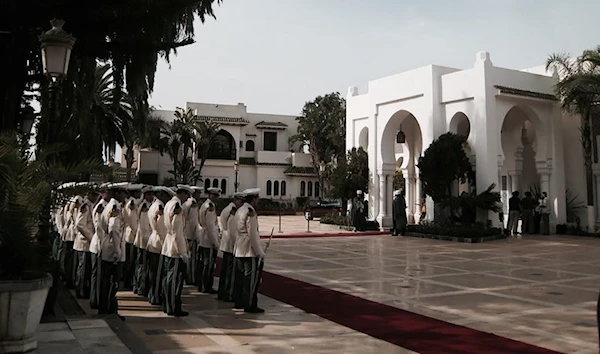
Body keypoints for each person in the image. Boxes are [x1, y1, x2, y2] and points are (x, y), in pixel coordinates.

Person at [161, 186, 191, 316]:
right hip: (175, 247)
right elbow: (177, 231)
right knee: (174, 280)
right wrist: (182, 251)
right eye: (187, 196)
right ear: (182, 194)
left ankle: (168, 305)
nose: (188, 199)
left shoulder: (169, 203)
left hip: (169, 244)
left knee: (169, 277)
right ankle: (173, 307)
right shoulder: (177, 205)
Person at [146, 186, 174, 305]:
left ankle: (153, 294)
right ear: (162, 195)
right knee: (157, 273)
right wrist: (165, 243)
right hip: (158, 243)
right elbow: (162, 228)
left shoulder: (154, 205)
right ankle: (155, 296)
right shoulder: (159, 207)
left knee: (153, 272)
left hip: (153, 240)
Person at [218, 192, 245, 301]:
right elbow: (233, 231)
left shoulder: (227, 209)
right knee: (230, 271)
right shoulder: (232, 212)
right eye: (241, 202)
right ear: (237, 200)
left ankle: (223, 291)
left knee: (225, 270)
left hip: (226, 242)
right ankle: (227, 292)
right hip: (230, 244)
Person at [89, 183, 112, 309]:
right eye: (108, 192)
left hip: (103, 245)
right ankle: (95, 300)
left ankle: (98, 299)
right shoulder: (100, 207)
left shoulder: (106, 206)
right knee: (97, 275)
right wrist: (105, 244)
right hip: (99, 245)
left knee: (101, 275)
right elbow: (99, 228)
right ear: (103, 194)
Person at [74, 189, 99, 299]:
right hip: (84, 242)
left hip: (90, 244)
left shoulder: (93, 206)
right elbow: (80, 224)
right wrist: (91, 237)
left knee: (88, 269)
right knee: (83, 269)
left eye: (96, 195)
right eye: (93, 194)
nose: (95, 197)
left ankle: (85, 289)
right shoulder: (85, 206)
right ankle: (80, 290)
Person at [198, 187, 221, 294]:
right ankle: (206, 286)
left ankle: (201, 284)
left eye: (217, 196)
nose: (216, 197)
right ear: (210, 195)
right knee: (208, 265)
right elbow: (211, 226)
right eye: (214, 195)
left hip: (203, 237)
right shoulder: (210, 207)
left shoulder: (204, 205)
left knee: (203, 264)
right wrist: (215, 243)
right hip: (208, 239)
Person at [133, 185, 155, 296]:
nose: (152, 196)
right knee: (142, 265)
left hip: (145, 240)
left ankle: (141, 286)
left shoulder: (150, 205)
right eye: (150, 194)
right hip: (143, 241)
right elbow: (145, 226)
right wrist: (148, 241)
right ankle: (140, 287)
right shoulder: (145, 207)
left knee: (144, 265)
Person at [122, 184, 144, 290]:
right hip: (131, 236)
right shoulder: (131, 204)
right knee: (130, 262)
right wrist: (137, 232)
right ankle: (127, 283)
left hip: (133, 235)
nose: (140, 194)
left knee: (133, 261)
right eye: (138, 192)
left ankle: (130, 281)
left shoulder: (135, 203)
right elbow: (132, 221)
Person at [61, 196, 81, 289]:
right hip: (71, 237)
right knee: (70, 261)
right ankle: (69, 279)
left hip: (70, 236)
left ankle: (69, 278)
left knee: (70, 260)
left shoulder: (71, 210)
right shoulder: (71, 211)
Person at [181, 186, 199, 285]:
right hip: (190, 234)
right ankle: (190, 278)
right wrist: (196, 236)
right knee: (191, 258)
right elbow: (193, 222)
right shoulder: (193, 204)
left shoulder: (185, 203)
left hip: (184, 232)